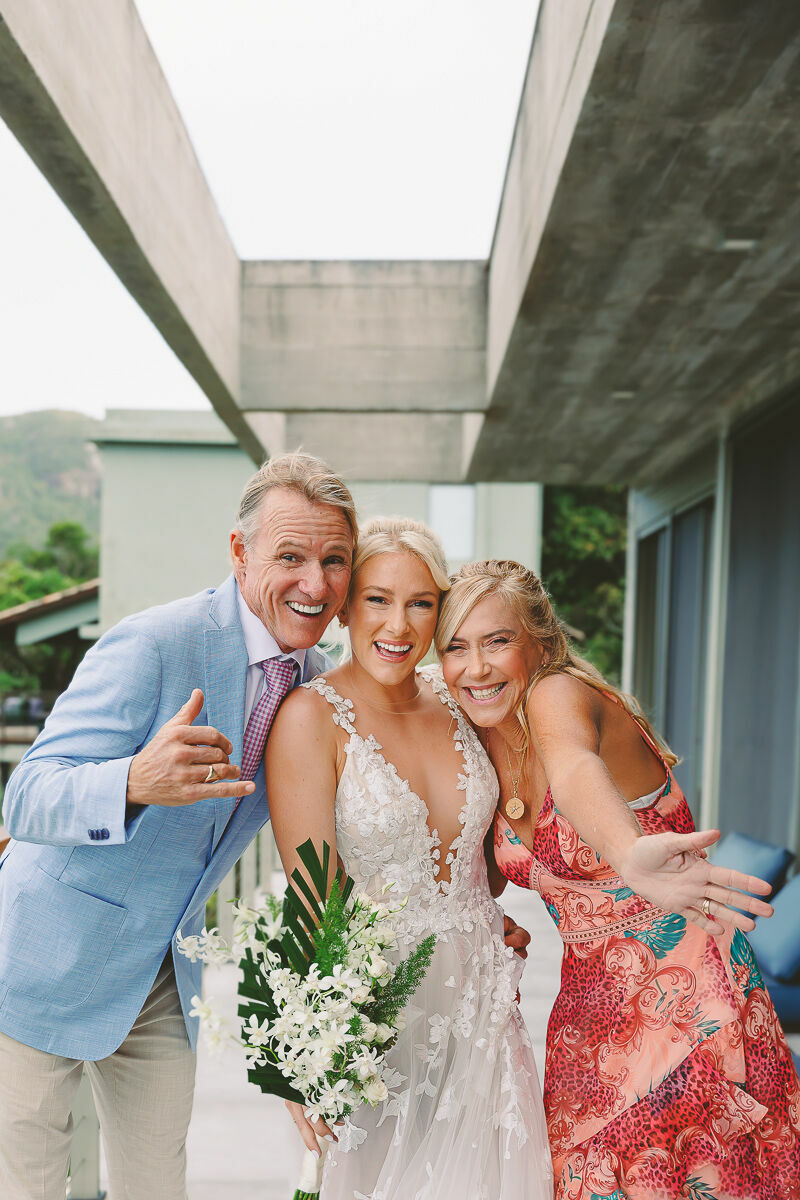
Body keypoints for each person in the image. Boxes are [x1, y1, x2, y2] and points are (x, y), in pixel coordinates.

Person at [0, 452, 357, 1200]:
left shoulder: (320, 686)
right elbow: (26, 797)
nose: (314, 584)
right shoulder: (155, 643)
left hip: (159, 977)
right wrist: (133, 782)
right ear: (240, 552)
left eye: (334, 560)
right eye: (289, 556)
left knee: (157, 1186)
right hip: (38, 961)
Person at [436, 558, 800, 1200]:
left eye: (497, 641)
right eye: (456, 648)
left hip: (686, 998)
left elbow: (574, 768)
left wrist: (628, 852)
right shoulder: (484, 734)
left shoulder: (557, 694)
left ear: (539, 643)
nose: (477, 666)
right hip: (586, 1015)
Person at [265, 519, 554, 1199]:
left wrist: (492, 912)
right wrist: (305, 1052)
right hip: (376, 1012)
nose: (399, 623)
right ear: (345, 604)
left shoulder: (461, 702)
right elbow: (313, 895)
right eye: (377, 599)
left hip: (482, 1004)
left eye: (421, 602)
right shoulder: (311, 717)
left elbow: (488, 847)